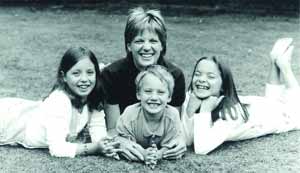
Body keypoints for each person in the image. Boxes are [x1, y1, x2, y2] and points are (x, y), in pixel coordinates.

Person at [181, 38, 300, 155]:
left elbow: (201, 148)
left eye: (210, 77)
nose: (201, 80)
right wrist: (190, 111)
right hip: (258, 105)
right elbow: (187, 140)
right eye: (197, 74)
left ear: (223, 85)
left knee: (294, 113)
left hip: (276, 117)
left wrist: (205, 111)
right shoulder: (191, 98)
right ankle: (275, 61)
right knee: (272, 101)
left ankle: (285, 66)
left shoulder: (231, 113)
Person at [0, 47, 120, 158]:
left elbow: (98, 133)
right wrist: (95, 148)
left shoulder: (93, 96)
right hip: (10, 121)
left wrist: (106, 146)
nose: (84, 79)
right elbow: (57, 149)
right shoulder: (59, 101)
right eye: (76, 73)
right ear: (64, 77)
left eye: (90, 72)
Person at [100, 7, 186, 160]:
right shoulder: (111, 75)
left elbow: (174, 127)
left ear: (162, 46)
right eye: (139, 41)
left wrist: (178, 143)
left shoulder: (175, 76)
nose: (146, 47)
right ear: (129, 46)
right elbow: (113, 129)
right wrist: (121, 141)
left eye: (153, 41)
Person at [116, 65, 184, 166]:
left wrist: (158, 154)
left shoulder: (172, 115)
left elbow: (173, 143)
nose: (154, 97)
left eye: (161, 92)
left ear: (169, 97)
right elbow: (124, 141)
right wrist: (143, 153)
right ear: (138, 94)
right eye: (148, 91)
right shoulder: (130, 114)